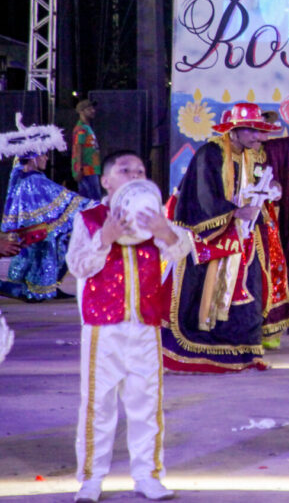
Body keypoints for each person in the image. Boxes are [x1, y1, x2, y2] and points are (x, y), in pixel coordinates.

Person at [67, 151, 191, 503]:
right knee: (98, 405)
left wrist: (166, 233)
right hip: (102, 329)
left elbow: (182, 253)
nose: (135, 175)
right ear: (106, 181)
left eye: (140, 170)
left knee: (147, 404)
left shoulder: (154, 218)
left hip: (146, 325)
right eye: (125, 170)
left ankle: (147, 475)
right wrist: (104, 239)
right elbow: (77, 266)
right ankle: (91, 478)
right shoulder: (90, 219)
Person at [162, 102, 281, 374]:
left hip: (242, 236)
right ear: (233, 131)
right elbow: (202, 196)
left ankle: (245, 350)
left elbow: (254, 185)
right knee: (208, 290)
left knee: (250, 286)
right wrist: (235, 212)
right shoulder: (210, 153)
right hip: (212, 234)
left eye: (259, 130)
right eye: (250, 130)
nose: (257, 136)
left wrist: (271, 188)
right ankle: (211, 346)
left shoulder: (250, 155)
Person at [0, 116, 94, 301]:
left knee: (57, 237)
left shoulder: (19, 173)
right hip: (36, 234)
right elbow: (66, 198)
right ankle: (29, 288)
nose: (46, 158)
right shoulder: (35, 180)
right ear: (33, 158)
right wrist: (93, 206)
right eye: (43, 154)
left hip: (29, 234)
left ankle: (34, 286)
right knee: (65, 238)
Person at [71, 99, 103, 200]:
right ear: (81, 112)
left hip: (91, 169)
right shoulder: (81, 128)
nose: (93, 111)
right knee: (92, 200)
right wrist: (79, 168)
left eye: (93, 108)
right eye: (89, 109)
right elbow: (78, 147)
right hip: (86, 170)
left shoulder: (87, 127)